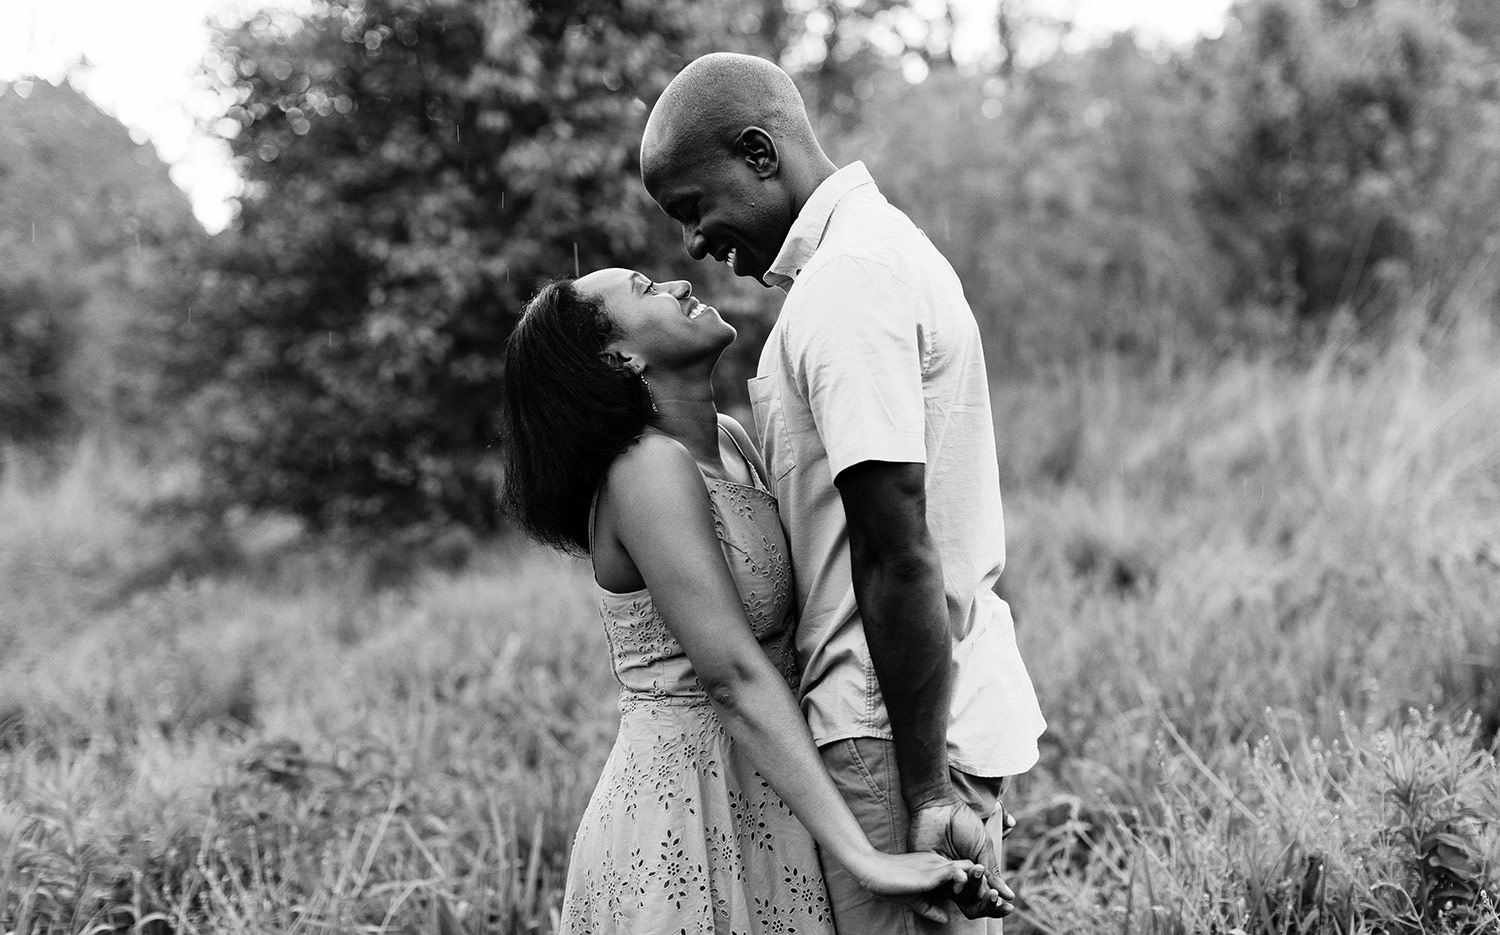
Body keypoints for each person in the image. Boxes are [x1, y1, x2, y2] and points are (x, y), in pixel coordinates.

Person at [641, 53, 1048, 933]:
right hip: (901, 716)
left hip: (884, 727)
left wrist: (924, 790)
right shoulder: (869, 259)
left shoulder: (850, 283)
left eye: (694, 207)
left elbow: (897, 549)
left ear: (759, 153)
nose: (696, 244)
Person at [499, 269, 1004, 935]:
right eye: (646, 289)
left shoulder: (731, 441)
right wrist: (868, 860)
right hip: (688, 802)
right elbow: (732, 677)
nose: (679, 283)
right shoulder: (644, 467)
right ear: (621, 359)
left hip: (767, 782)